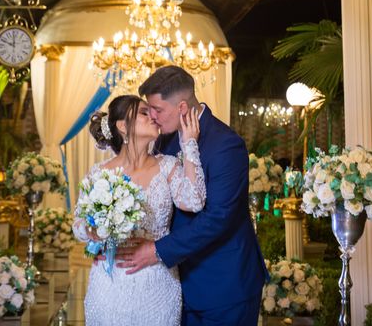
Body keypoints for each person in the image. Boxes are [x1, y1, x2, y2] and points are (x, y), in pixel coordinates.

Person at [116, 66, 268, 325]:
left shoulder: (226, 145)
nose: (152, 116)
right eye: (149, 109)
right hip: (176, 283)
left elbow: (218, 218)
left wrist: (157, 250)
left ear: (183, 108)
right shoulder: (163, 139)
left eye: (158, 110)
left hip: (223, 285)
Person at [72, 94, 205, 325]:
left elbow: (194, 201)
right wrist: (94, 232)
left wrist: (190, 143)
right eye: (144, 112)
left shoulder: (168, 166)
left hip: (158, 283)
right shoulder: (98, 173)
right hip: (109, 284)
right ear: (123, 126)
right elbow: (78, 225)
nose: (153, 116)